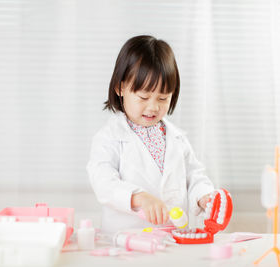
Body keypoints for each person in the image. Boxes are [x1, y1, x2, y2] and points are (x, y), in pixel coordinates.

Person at [87, 35, 215, 234]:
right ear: (120, 88)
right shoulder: (109, 138)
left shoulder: (177, 139)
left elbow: (194, 176)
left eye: (163, 98)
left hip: (173, 238)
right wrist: (139, 197)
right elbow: (104, 183)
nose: (153, 106)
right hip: (127, 241)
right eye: (144, 97)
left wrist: (204, 196)